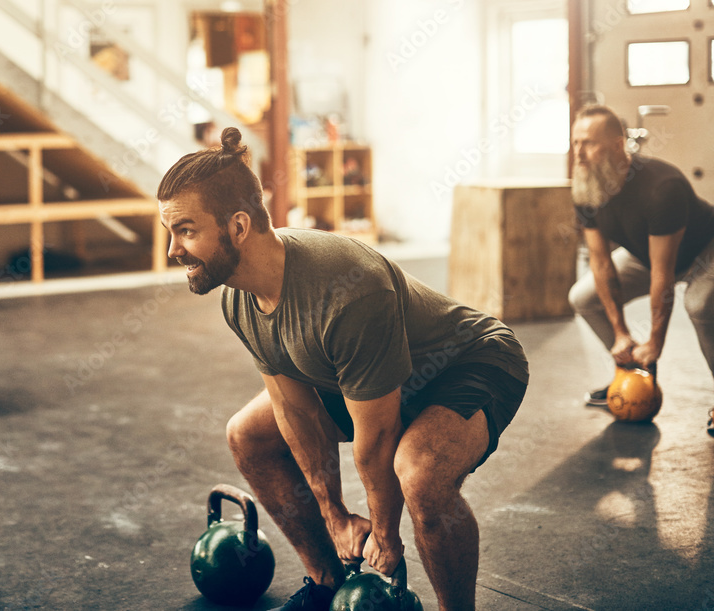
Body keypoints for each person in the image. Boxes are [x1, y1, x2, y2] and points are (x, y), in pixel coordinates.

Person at [157, 127, 529, 611]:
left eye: (185, 230)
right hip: (369, 376)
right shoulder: (240, 300)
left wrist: (386, 534)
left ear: (239, 227)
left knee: (418, 473)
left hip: (469, 362)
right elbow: (294, 410)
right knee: (248, 434)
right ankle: (326, 582)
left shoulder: (347, 292)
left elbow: (376, 439)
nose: (172, 250)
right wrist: (334, 516)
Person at [567, 105, 714, 436]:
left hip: (705, 250)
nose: (579, 153)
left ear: (618, 145)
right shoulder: (587, 186)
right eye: (575, 142)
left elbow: (664, 273)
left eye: (589, 143)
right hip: (645, 253)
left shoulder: (662, 187)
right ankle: (630, 376)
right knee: (583, 297)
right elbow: (601, 261)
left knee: (700, 305)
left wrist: (655, 341)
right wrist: (621, 333)